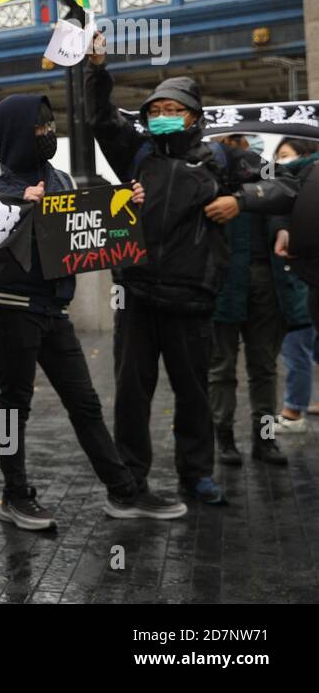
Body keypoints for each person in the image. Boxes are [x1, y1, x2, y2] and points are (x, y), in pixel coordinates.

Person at [85, 37, 297, 505]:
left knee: (194, 393)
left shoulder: (224, 159)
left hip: (194, 300)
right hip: (138, 297)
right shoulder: (135, 153)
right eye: (154, 108)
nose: (162, 114)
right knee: (133, 394)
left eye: (172, 108)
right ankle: (132, 478)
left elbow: (285, 186)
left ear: (194, 117)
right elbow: (100, 116)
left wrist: (239, 200)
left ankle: (197, 475)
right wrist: (97, 67)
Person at [0, 94, 186, 530]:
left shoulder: (61, 178)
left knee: (85, 403)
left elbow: (86, 235)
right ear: (14, 131)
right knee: (15, 405)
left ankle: (123, 491)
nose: (46, 133)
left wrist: (128, 207)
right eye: (37, 126)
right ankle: (15, 494)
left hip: (53, 311)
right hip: (11, 311)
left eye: (50, 124)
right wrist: (16, 210)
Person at [206, 134, 301, 464]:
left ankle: (264, 440)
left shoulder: (265, 171)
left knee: (264, 367)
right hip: (221, 281)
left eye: (242, 140)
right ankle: (225, 439)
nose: (239, 146)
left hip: (264, 278)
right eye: (231, 140)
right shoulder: (205, 173)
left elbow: (282, 204)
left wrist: (282, 230)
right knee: (221, 368)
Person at [272, 138, 319, 428]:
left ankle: (293, 410)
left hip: (298, 295)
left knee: (297, 352)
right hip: (302, 289)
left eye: (286, 156)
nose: (280, 162)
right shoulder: (294, 191)